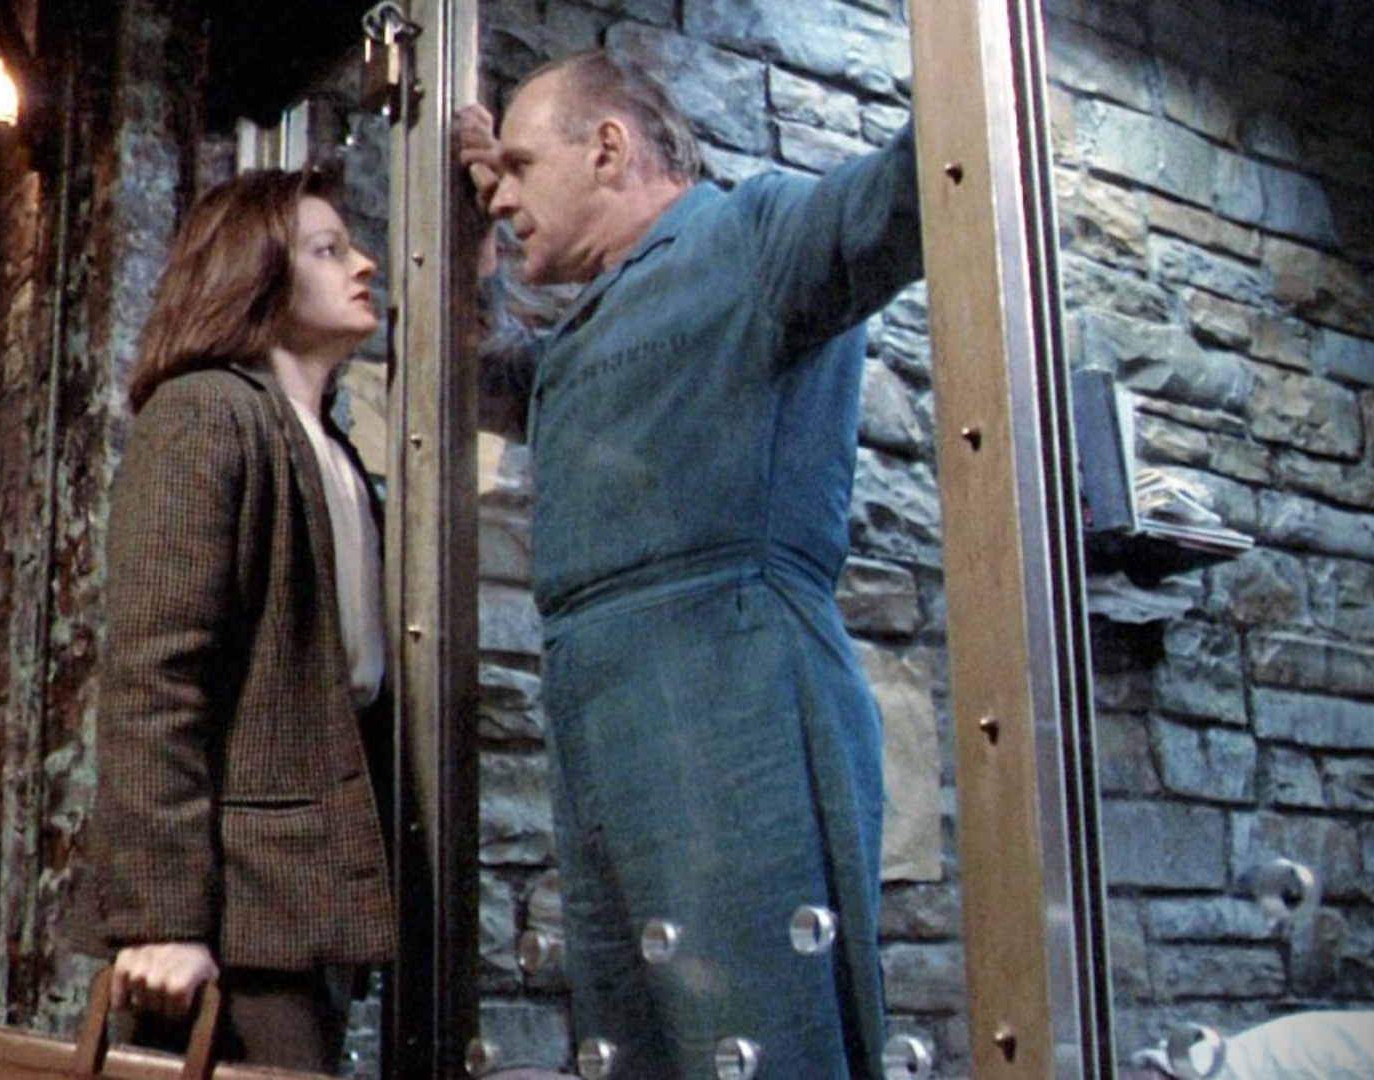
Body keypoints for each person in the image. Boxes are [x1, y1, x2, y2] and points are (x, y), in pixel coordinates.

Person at [455, 49, 923, 1078]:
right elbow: (478, 372)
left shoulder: (753, 237)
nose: (504, 198)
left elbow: (911, 192)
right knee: (640, 1049)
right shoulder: (591, 327)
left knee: (762, 1042)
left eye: (522, 168)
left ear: (608, 148)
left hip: (735, 698)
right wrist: (462, 228)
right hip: (606, 711)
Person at [79, 167, 395, 1072]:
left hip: (304, 902)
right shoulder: (205, 414)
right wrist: (162, 918)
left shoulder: (328, 449)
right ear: (255, 275)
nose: (364, 265)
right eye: (328, 250)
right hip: (237, 916)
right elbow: (155, 673)